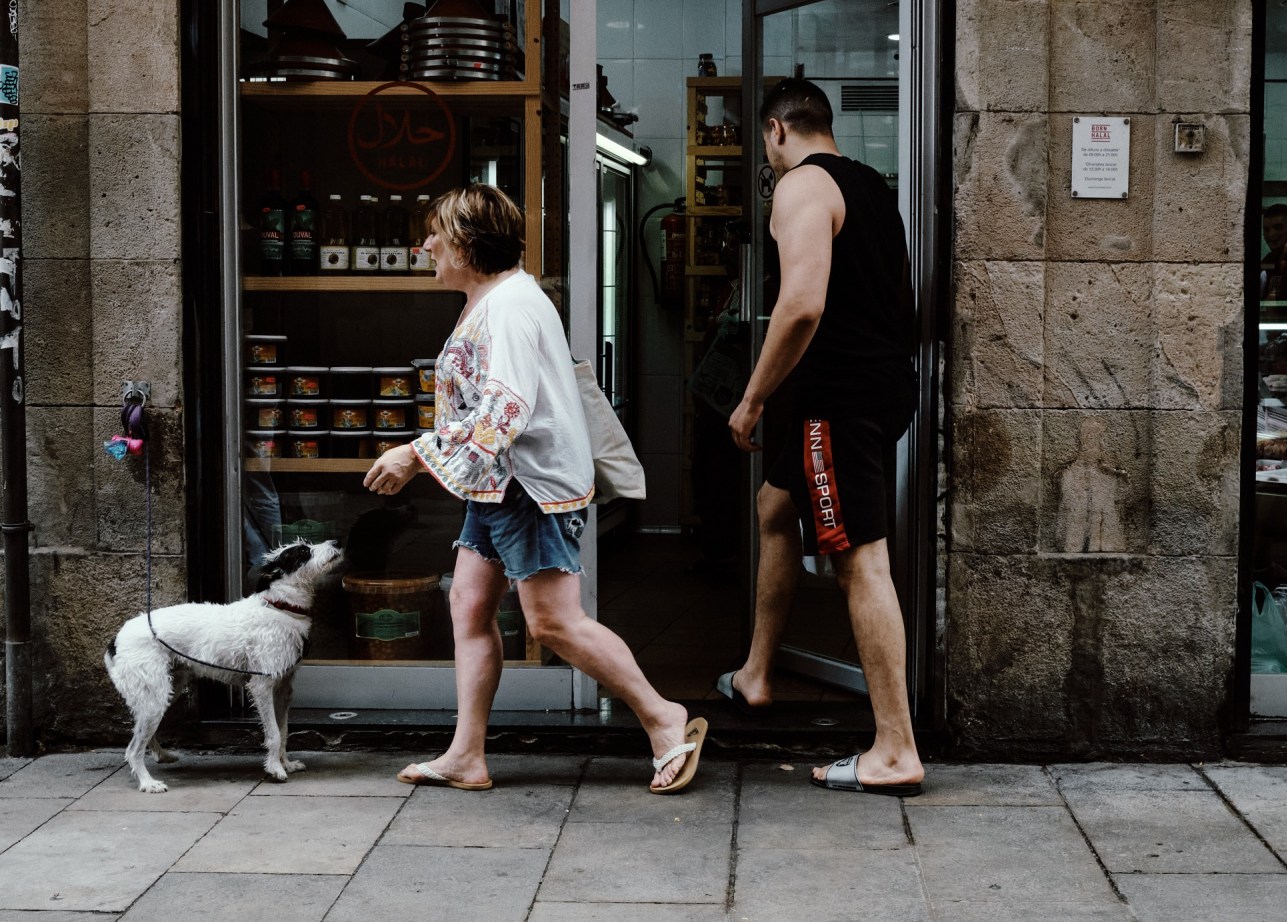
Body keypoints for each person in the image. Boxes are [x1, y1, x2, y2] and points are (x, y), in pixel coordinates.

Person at [364, 184, 706, 794]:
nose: (427, 245)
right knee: (470, 605)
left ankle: (663, 717)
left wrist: (415, 454)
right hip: (500, 486)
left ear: (465, 242)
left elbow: (506, 410)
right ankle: (466, 755)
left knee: (553, 623)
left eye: (435, 234)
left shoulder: (510, 307)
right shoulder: (500, 298)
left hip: (528, 490)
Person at [719, 78, 924, 797]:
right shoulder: (871, 186)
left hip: (837, 399)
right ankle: (757, 673)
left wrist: (751, 400)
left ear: (777, 130)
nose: (769, 155)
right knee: (775, 507)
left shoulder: (800, 186)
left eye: (766, 143)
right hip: (875, 384)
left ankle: (895, 749)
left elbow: (801, 305)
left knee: (860, 560)